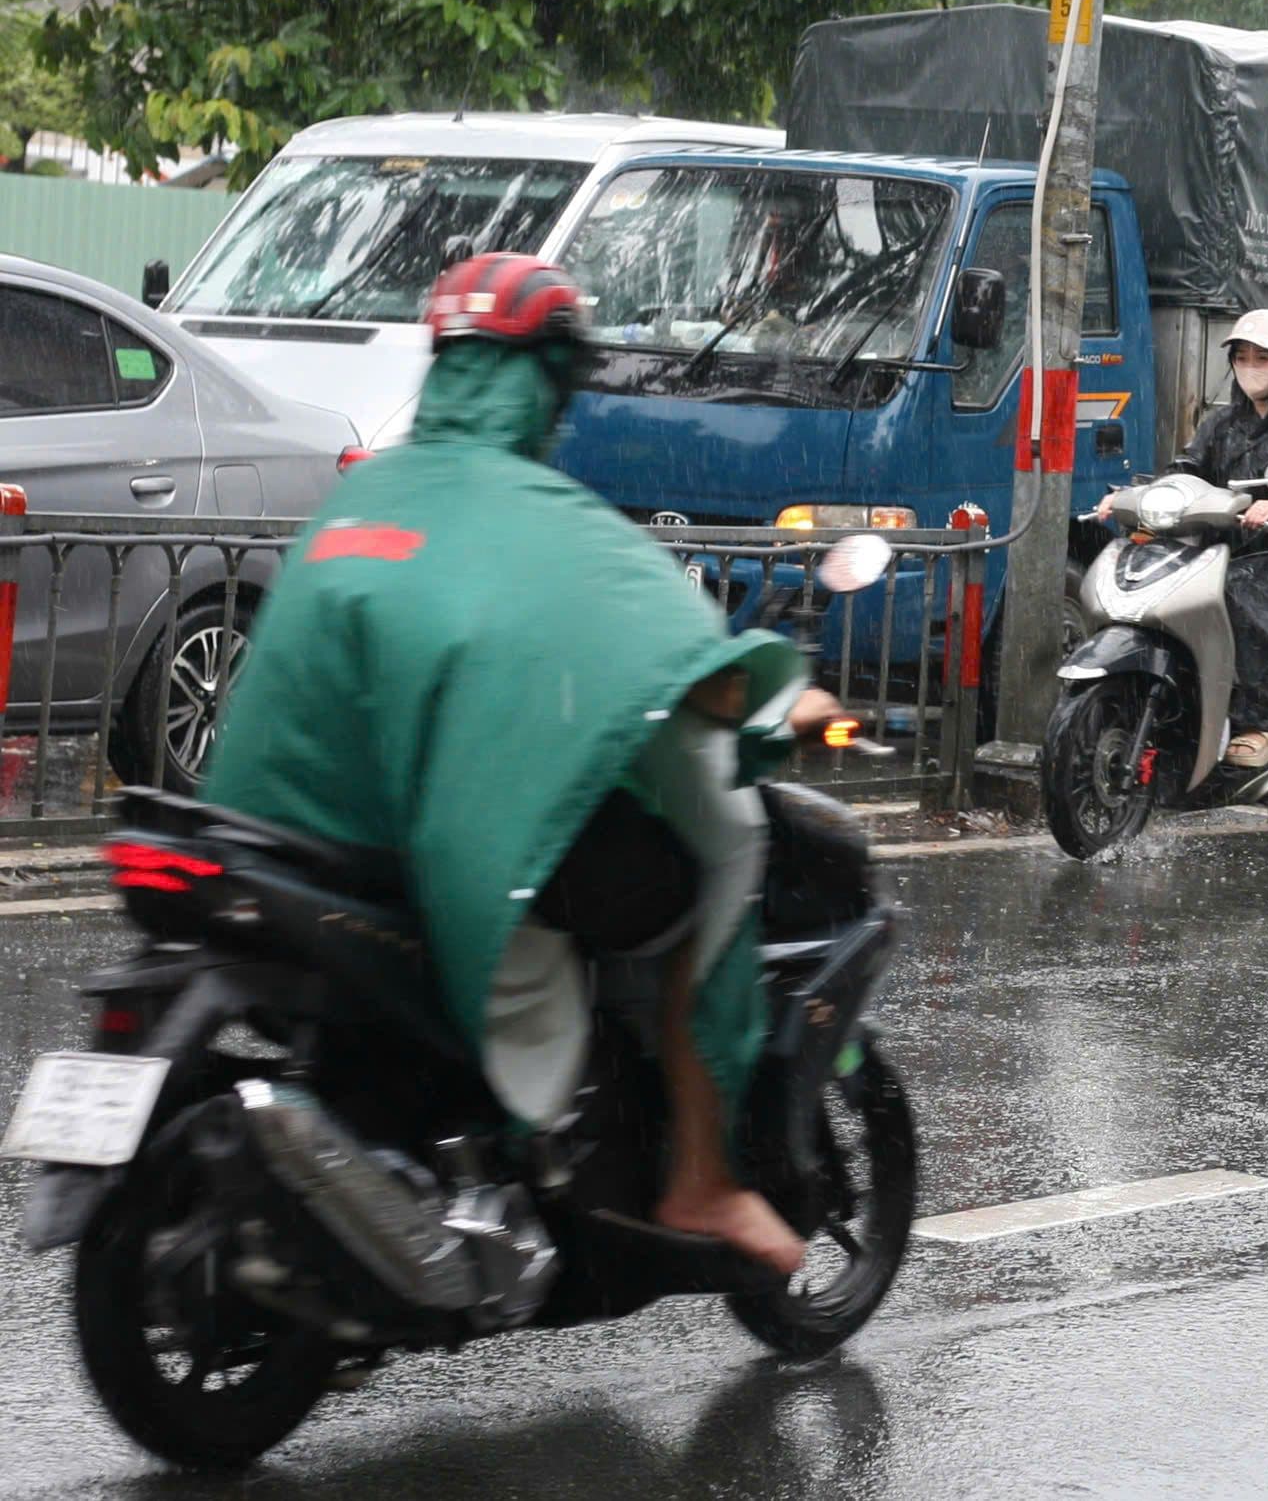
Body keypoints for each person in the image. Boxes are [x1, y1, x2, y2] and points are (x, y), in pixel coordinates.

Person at [199, 253, 844, 1276]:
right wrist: (785, 696)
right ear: (545, 380)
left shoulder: (367, 496)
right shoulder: (543, 522)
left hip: (272, 834)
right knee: (708, 864)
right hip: (409, 854)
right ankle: (702, 1177)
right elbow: (686, 661)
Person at [1094, 309, 1268, 767]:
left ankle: (1266, 724)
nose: (1251, 367)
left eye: (1263, 358)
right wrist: (1136, 496)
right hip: (1227, 550)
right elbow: (1188, 469)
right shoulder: (1222, 424)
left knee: (1240, 597)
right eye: (1242, 357)